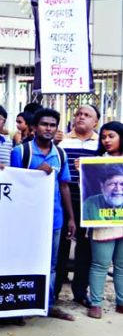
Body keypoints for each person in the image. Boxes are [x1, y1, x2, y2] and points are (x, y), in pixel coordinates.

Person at [10, 108, 76, 321]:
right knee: (23, 260)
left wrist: (71, 218)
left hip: (54, 218)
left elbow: (64, 186)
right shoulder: (21, 152)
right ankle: (21, 304)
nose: (48, 128)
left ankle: (45, 305)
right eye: (44, 124)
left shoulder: (61, 154)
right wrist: (38, 171)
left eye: (52, 125)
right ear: (35, 127)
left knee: (51, 264)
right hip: (25, 219)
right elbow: (14, 184)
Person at [57, 104, 100, 308]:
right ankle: (54, 290)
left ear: (95, 122)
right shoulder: (61, 141)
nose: (81, 117)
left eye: (87, 115)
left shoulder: (101, 143)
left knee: (85, 247)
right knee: (61, 244)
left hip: (90, 199)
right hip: (65, 198)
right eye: (79, 114)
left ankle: (80, 291)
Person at [85, 121, 123, 318]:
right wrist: (81, 169)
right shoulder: (96, 162)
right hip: (102, 224)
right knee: (100, 264)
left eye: (111, 136)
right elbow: (87, 188)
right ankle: (96, 303)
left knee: (122, 265)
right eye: (103, 137)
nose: (106, 140)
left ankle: (121, 302)